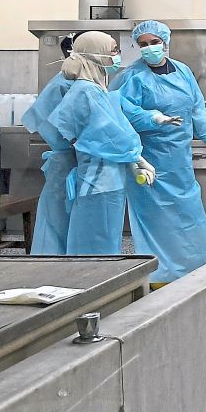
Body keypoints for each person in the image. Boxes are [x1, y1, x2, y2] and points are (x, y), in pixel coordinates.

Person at [113, 20, 206, 285]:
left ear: (165, 42)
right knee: (157, 217)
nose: (149, 48)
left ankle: (197, 267)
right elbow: (120, 110)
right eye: (143, 44)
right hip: (150, 158)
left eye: (154, 42)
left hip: (179, 157)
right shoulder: (133, 76)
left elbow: (196, 106)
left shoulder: (182, 71)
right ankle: (161, 274)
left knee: (188, 210)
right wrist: (154, 118)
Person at [47, 31, 156, 254]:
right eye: (113, 50)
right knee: (95, 247)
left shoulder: (95, 89)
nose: (117, 55)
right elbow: (109, 135)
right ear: (96, 54)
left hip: (105, 179)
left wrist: (133, 160)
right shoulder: (87, 91)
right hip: (99, 181)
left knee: (103, 241)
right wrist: (137, 157)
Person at [20, 34, 81, 255]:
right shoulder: (65, 84)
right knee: (57, 222)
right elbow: (60, 128)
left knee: (68, 223)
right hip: (67, 162)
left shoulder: (80, 84)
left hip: (74, 162)